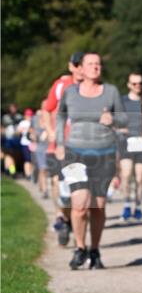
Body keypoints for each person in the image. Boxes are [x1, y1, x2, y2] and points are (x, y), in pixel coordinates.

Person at [56, 52, 125, 270]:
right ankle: (80, 247)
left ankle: (94, 250)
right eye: (90, 64)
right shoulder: (70, 92)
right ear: (81, 69)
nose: (95, 67)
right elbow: (60, 116)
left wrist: (112, 119)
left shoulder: (110, 91)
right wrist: (59, 142)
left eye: (98, 64)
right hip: (75, 152)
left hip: (104, 152)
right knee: (79, 204)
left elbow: (124, 118)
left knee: (98, 206)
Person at [43, 52, 85, 246]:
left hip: (78, 147)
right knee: (55, 183)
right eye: (76, 65)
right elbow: (46, 109)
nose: (80, 68)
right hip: (57, 145)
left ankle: (70, 221)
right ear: (71, 66)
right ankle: (61, 216)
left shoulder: (92, 87)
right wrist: (50, 130)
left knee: (73, 187)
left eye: (82, 64)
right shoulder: (60, 85)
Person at [118, 72, 142, 221]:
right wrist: (119, 129)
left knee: (140, 177)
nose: (138, 86)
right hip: (126, 142)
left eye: (140, 83)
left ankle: (137, 207)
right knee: (125, 175)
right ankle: (126, 204)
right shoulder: (121, 101)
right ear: (128, 85)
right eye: (134, 83)